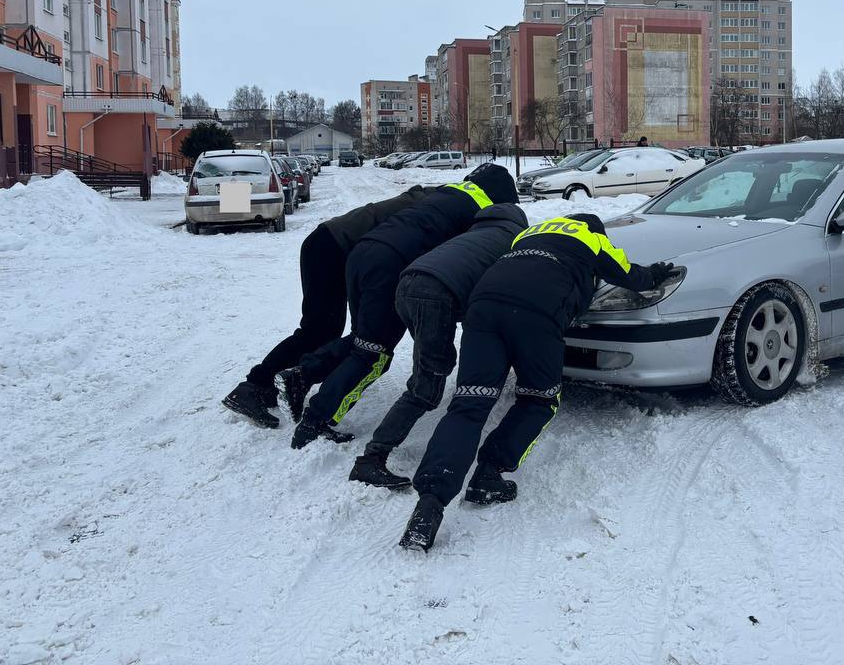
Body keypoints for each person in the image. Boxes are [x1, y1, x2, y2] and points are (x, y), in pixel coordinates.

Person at [398, 213, 676, 553]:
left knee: (469, 404)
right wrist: (659, 271)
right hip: (536, 315)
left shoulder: (528, 235)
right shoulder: (592, 238)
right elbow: (632, 276)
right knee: (538, 399)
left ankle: (428, 506)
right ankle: (488, 474)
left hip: (483, 309)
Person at [289, 164, 519, 448]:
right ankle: (316, 419)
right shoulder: (481, 212)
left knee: (363, 340)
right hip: (391, 264)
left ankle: (304, 373)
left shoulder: (447, 192)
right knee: (374, 354)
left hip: (362, 252)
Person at [222, 181, 440, 428]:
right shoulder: (433, 209)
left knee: (323, 331)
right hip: (332, 249)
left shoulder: (426, 198)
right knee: (318, 331)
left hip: (329, 243)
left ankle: (273, 384)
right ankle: (254, 386)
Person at [348, 201, 529, 488]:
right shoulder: (512, 241)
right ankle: (371, 459)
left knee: (433, 366)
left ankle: (374, 454)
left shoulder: (472, 233)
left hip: (407, 284)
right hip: (435, 294)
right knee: (426, 386)